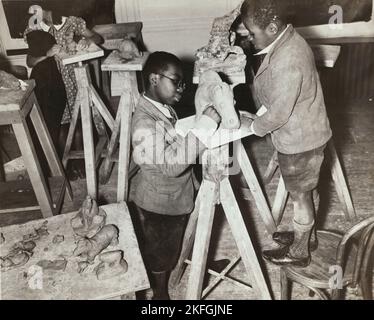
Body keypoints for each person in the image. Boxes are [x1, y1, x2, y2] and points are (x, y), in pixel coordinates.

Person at [239, 0, 332, 267]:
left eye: (252, 33)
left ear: (273, 26)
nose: (249, 38)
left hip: (301, 141)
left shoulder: (288, 59)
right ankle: (306, 236)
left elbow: (279, 113)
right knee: (305, 190)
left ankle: (300, 252)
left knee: (301, 195)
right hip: (306, 133)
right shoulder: (287, 39)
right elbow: (282, 96)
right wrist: (257, 115)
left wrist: (254, 126)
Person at [129, 51, 221, 299]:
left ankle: (195, 260)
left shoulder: (160, 107)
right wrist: (202, 129)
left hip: (175, 194)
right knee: (161, 254)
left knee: (177, 241)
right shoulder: (144, 122)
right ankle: (159, 294)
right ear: (154, 79)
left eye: (184, 82)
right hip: (160, 205)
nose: (182, 87)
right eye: (176, 81)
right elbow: (171, 165)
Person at [24, 4, 103, 179]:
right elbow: (30, 61)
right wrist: (47, 54)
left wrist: (87, 41)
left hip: (75, 79)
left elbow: (97, 37)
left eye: (46, 11)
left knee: (80, 122)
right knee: (60, 124)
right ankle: (64, 166)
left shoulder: (73, 22)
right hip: (52, 84)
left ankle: (81, 164)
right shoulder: (34, 27)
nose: (42, 15)